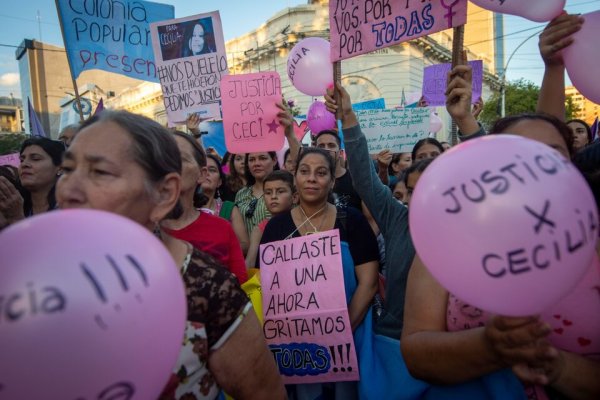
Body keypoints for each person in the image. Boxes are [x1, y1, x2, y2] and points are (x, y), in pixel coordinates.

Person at [400, 14, 600, 399]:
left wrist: (554, 364)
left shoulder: (592, 236)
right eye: (516, 157)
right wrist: (490, 346)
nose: (533, 170)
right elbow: (417, 354)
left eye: (551, 158)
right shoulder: (448, 239)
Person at [56, 110, 285, 400]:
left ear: (164, 193)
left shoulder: (207, 289)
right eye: (67, 169)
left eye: (100, 172)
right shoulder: (34, 275)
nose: (69, 190)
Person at [259, 147, 379, 398]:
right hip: (297, 349)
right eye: (305, 171)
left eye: (321, 172)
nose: (312, 178)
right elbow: (270, 289)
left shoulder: (352, 220)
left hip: (350, 339)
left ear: (332, 181)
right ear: (296, 179)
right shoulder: (276, 228)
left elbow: (368, 283)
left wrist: (339, 331)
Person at [161, 131, 248, 284]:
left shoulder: (222, 229)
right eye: (164, 158)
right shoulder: (141, 228)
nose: (171, 165)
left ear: (202, 175)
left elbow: (240, 290)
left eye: (180, 158)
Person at [236, 101, 300, 235]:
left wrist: (290, 134)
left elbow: (299, 164)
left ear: (274, 160)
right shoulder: (241, 195)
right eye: (252, 159)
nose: (256, 163)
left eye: (263, 158)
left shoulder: (290, 184)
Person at [0, 137, 65, 228]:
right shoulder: (12, 205)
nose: (24, 164)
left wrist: (16, 218)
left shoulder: (70, 208)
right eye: (22, 160)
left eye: (35, 159)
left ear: (60, 168)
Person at [245, 170, 296, 269]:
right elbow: (250, 262)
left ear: (294, 197)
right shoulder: (260, 229)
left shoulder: (302, 222)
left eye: (280, 191)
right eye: (268, 193)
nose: (273, 197)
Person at [199, 154, 250, 254]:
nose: (207, 173)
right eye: (202, 170)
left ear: (219, 182)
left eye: (212, 170)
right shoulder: (183, 208)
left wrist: (219, 249)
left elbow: (245, 244)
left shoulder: (229, 208)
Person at [315, 129, 362, 211]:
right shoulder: (311, 181)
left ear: (340, 152)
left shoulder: (356, 180)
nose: (327, 149)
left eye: (331, 145)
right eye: (321, 146)